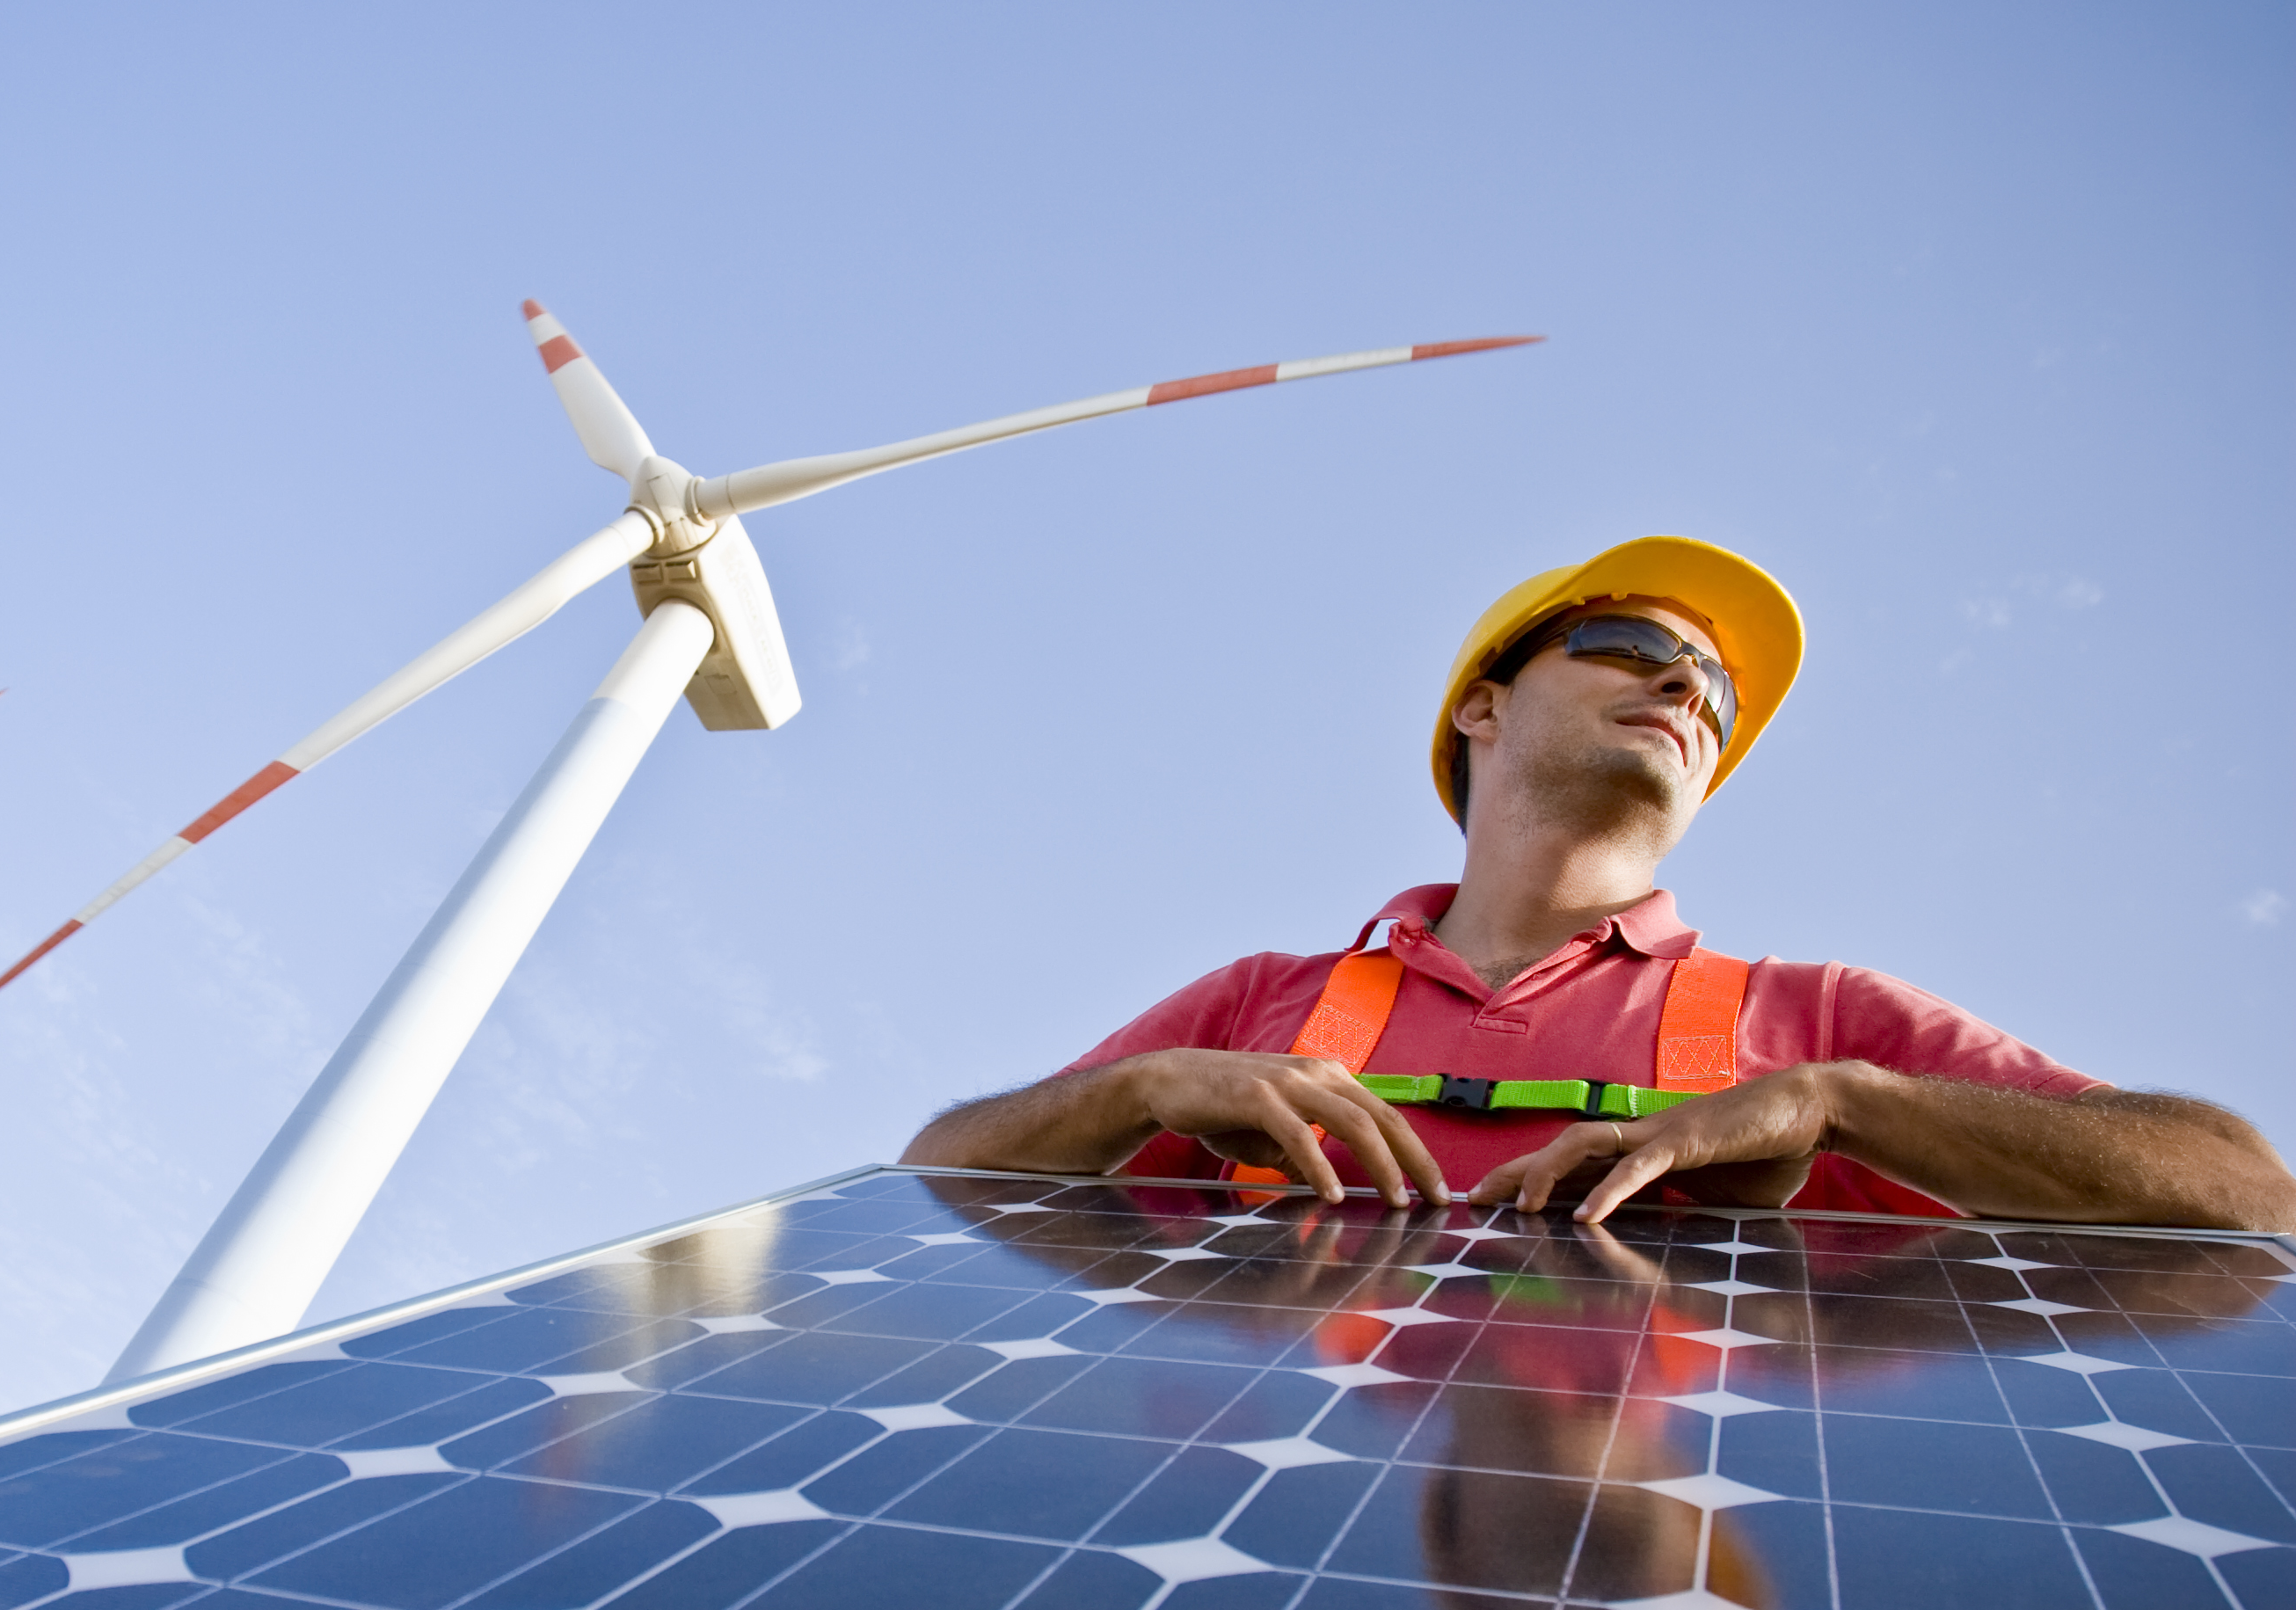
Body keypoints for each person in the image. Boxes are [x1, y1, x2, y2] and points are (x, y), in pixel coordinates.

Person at [907, 535, 2296, 1229]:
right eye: (1634, 642)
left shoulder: (1815, 1019)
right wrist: (1137, 1090)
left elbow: (2243, 1187)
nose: (1687, 683)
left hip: (1638, 1557)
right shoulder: (1266, 999)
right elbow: (929, 1185)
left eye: (1717, 687)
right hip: (1236, 1569)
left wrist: (1844, 1103)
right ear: (1483, 708)